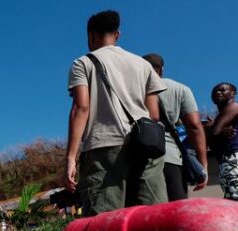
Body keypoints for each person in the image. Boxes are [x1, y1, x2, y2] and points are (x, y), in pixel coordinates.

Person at [65, 10, 168, 216]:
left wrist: (71, 157)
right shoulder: (143, 64)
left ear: (91, 36)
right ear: (117, 35)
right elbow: (154, 114)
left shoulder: (83, 63)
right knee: (151, 218)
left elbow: (81, 108)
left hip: (105, 148)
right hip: (146, 147)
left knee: (104, 222)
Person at [142, 53, 209, 200]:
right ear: (162, 69)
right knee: (175, 208)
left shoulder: (133, 88)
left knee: (145, 211)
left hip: (138, 155)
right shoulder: (180, 89)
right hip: (170, 155)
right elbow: (194, 126)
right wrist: (203, 163)